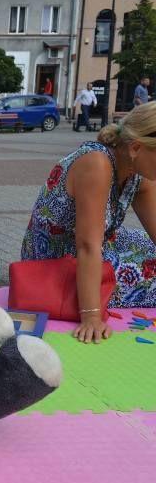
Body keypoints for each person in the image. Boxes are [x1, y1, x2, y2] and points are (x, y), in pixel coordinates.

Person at [22, 101, 156, 344]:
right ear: (136, 148)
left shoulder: (138, 174)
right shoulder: (97, 163)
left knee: (148, 251)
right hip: (56, 261)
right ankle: (87, 297)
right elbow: (87, 245)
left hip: (97, 245)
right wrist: (91, 316)